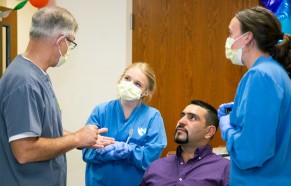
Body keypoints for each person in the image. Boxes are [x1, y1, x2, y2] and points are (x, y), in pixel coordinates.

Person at [0, 7, 114, 186]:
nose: (69, 49)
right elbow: (24, 151)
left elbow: (47, 130)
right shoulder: (23, 82)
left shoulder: (38, 75)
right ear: (60, 40)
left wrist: (80, 138)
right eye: (70, 43)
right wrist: (76, 139)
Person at [218, 6, 291, 185]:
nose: (228, 40)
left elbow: (250, 154)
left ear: (247, 37)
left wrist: (227, 129)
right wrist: (242, 110)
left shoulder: (260, 75)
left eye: (231, 34)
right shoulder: (283, 74)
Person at [82, 62, 167, 186]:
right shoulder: (101, 111)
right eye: (127, 78)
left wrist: (129, 151)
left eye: (138, 84)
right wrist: (103, 152)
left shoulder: (152, 117)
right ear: (121, 78)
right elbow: (86, 151)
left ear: (146, 92)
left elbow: (151, 157)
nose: (129, 85)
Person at [141, 100, 229, 186]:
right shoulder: (155, 167)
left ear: (209, 132)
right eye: (182, 116)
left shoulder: (225, 169)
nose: (181, 121)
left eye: (192, 118)